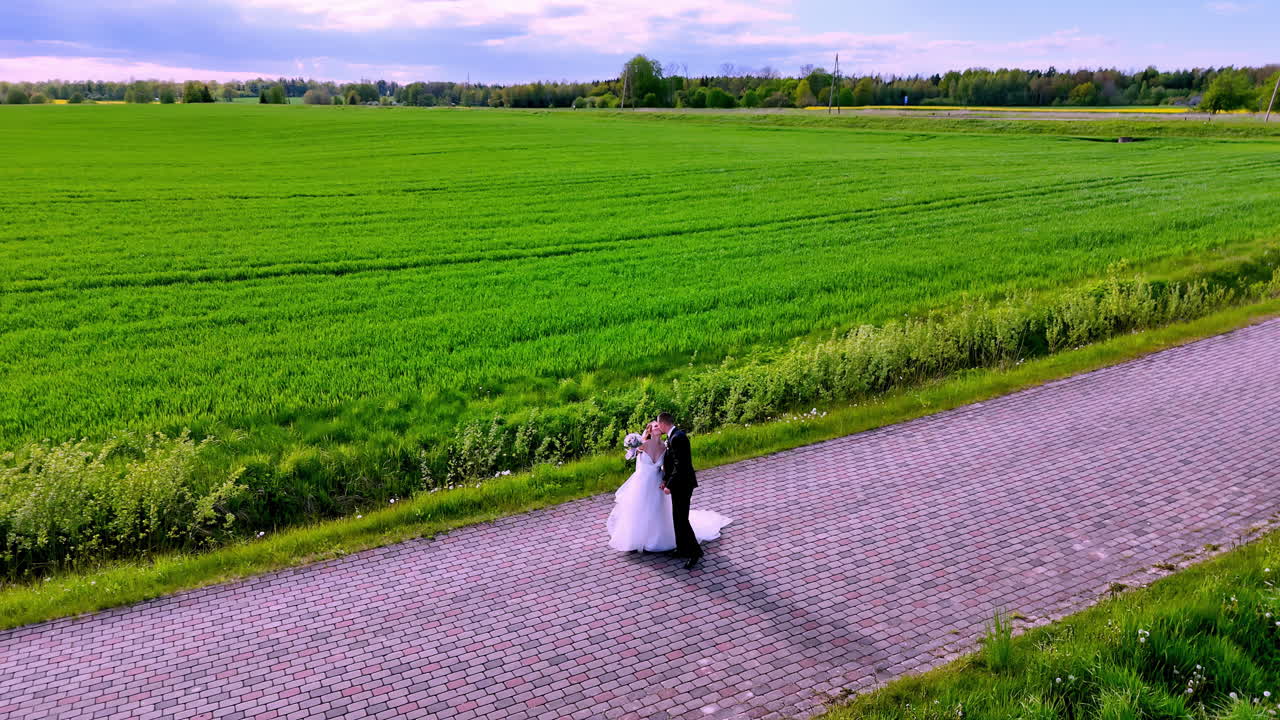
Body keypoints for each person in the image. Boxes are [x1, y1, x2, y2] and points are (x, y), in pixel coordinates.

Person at [606, 416, 729, 569]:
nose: (658, 427)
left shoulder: (666, 446)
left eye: (659, 425)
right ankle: (645, 540)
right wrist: (633, 447)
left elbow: (672, 465)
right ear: (650, 430)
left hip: (662, 483)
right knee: (646, 511)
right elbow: (636, 459)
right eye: (654, 426)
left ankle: (686, 549)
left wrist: (666, 482)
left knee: (669, 515)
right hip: (643, 483)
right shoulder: (643, 445)